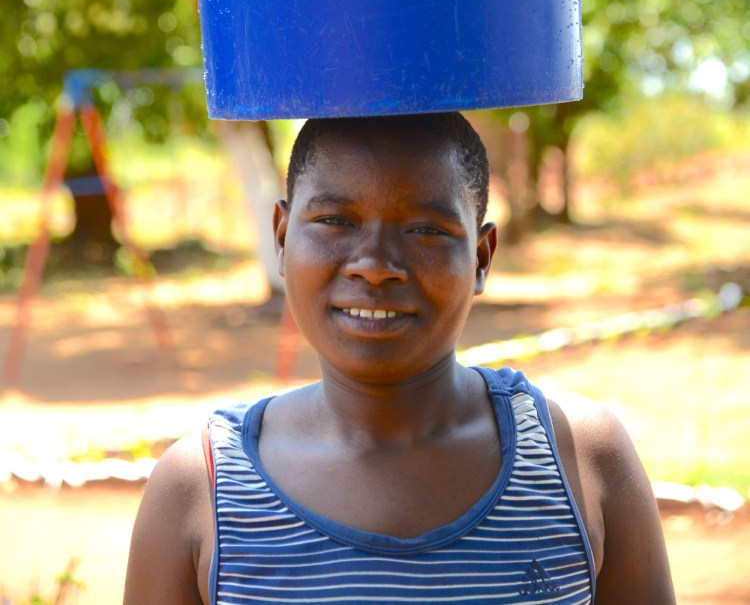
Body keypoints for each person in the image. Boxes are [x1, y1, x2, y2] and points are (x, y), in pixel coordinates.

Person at [123, 112, 676, 604]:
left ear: (481, 257)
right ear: (283, 237)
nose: (374, 265)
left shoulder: (580, 459)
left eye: (426, 230)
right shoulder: (202, 489)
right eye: (335, 220)